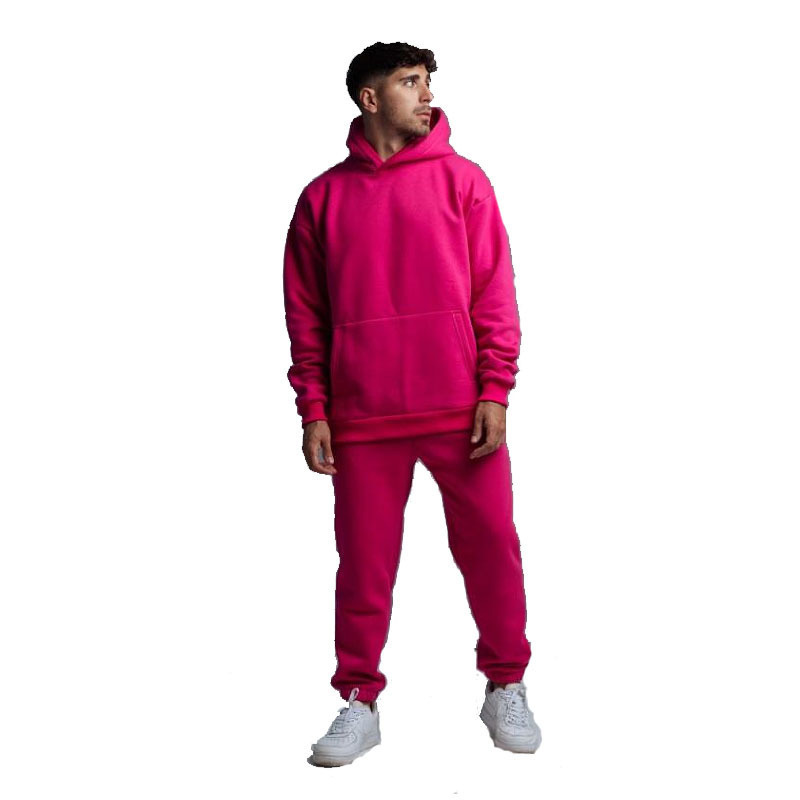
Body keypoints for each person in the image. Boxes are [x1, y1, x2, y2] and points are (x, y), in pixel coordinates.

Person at [283, 41, 542, 767]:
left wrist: (495, 388)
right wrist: (314, 408)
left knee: (492, 551)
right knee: (363, 567)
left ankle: (506, 684)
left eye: (427, 80)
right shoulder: (321, 199)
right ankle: (358, 700)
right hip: (363, 415)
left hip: (461, 410)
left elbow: (494, 292)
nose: (426, 93)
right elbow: (306, 316)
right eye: (409, 81)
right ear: (370, 98)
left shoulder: (465, 181)